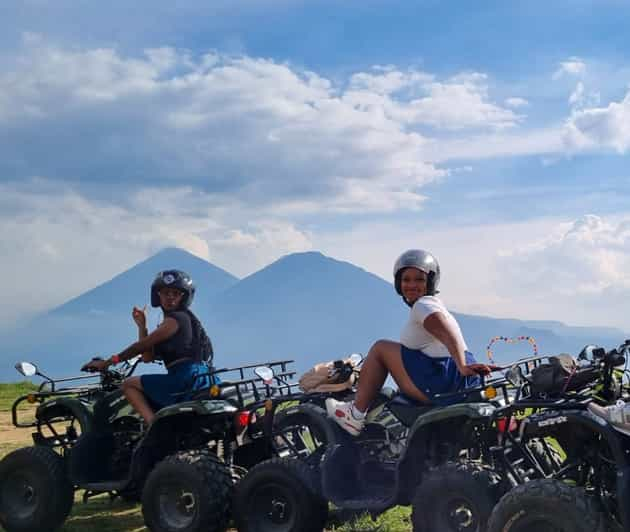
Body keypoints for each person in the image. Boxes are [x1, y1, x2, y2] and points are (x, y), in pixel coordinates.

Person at [326, 249, 494, 436]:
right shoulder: (434, 304)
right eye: (406, 280)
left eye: (419, 280)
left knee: (380, 348)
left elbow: (446, 332)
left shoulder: (423, 306)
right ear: (399, 283)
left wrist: (462, 364)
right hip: (457, 382)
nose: (412, 285)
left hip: (441, 383)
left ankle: (355, 414)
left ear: (430, 282)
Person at [82, 269, 214, 425]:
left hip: (184, 377)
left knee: (128, 384)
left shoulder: (176, 319)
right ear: (158, 295)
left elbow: (141, 346)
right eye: (165, 293)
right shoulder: (182, 320)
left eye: (175, 293)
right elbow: (147, 357)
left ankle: (153, 424)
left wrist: (107, 363)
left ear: (183, 297)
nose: (170, 297)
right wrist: (142, 327)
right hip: (199, 377)